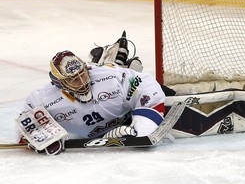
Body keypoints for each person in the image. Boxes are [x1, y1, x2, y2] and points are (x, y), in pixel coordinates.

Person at [17, 34, 166, 155]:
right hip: (104, 127)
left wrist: (144, 125)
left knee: (132, 69)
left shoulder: (110, 77)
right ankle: (105, 58)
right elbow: (25, 121)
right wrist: (42, 136)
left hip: (122, 106)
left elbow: (145, 84)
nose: (82, 82)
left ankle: (112, 60)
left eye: (83, 74)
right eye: (74, 80)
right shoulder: (45, 99)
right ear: (60, 83)